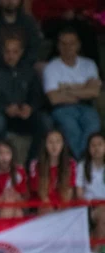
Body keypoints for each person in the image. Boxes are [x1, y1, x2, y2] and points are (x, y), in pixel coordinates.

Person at [0, 32, 52, 165]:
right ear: (2, 51)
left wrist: (30, 107)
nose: (11, 55)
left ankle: (31, 163)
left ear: (21, 52)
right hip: (1, 115)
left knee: (45, 121)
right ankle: (0, 163)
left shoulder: (28, 70)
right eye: (7, 51)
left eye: (15, 52)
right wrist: (5, 108)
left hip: (23, 116)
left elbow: (37, 95)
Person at [42, 28, 102, 158]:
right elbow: (54, 98)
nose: (67, 47)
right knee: (71, 128)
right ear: (58, 46)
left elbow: (94, 92)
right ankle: (83, 163)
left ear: (78, 45)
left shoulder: (89, 64)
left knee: (93, 124)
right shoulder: (52, 67)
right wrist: (83, 88)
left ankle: (82, 162)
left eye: (72, 43)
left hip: (86, 107)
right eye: (63, 43)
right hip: (62, 108)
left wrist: (66, 88)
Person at [0, 0, 42, 74]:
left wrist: (19, 69)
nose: (10, 1)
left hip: (24, 74)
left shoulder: (29, 23)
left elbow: (33, 52)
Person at [29, 128, 77, 205]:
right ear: (44, 144)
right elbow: (42, 195)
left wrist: (61, 209)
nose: (54, 146)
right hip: (44, 205)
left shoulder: (71, 163)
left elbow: (69, 192)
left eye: (58, 142)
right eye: (50, 142)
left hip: (63, 206)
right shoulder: (35, 164)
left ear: (63, 144)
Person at [77, 133, 105, 253]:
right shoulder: (82, 166)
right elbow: (79, 192)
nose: (96, 148)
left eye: (100, 144)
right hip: (89, 207)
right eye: (93, 145)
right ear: (88, 148)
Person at [0, 139, 29, 218]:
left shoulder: (19, 171)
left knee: (17, 211)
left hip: (17, 207)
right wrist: (1, 198)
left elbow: (25, 199)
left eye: (7, 153)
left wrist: (17, 197)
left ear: (12, 155)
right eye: (1, 153)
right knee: (9, 203)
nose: (4, 157)